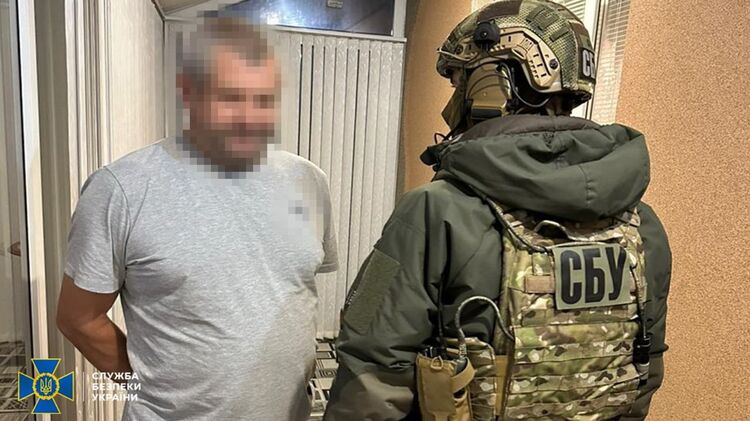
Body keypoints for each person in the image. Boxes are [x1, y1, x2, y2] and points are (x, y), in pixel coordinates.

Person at [324, 1, 671, 420]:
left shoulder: (432, 210)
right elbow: (644, 369)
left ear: (493, 81)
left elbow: (370, 361)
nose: (454, 100)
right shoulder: (641, 223)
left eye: (460, 80)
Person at [56, 17, 338, 420]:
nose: (250, 117)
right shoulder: (120, 189)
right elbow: (78, 318)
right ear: (188, 92)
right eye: (231, 97)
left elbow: (294, 294)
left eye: (264, 100)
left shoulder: (307, 181)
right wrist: (152, 389)